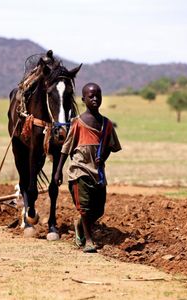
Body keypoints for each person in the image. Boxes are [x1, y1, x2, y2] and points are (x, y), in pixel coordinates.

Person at [54, 82, 121, 253]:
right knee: (84, 207)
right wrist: (58, 170)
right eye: (90, 96)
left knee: (98, 209)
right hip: (80, 169)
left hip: (97, 172)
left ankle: (79, 225)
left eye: (98, 95)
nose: (95, 99)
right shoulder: (77, 123)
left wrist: (102, 157)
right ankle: (88, 240)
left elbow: (112, 147)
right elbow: (66, 148)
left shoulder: (106, 124)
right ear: (83, 99)